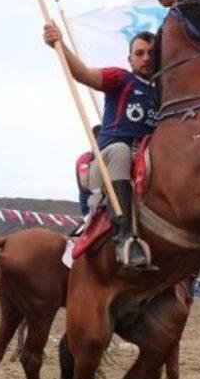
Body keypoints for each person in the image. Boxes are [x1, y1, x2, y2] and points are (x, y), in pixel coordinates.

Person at [44, 22, 157, 268]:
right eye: (140, 53)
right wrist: (59, 44)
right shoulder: (120, 79)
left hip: (144, 166)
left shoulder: (166, 92)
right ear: (130, 58)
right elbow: (83, 74)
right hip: (104, 167)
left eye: (152, 53)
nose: (146, 58)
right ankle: (123, 238)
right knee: (120, 151)